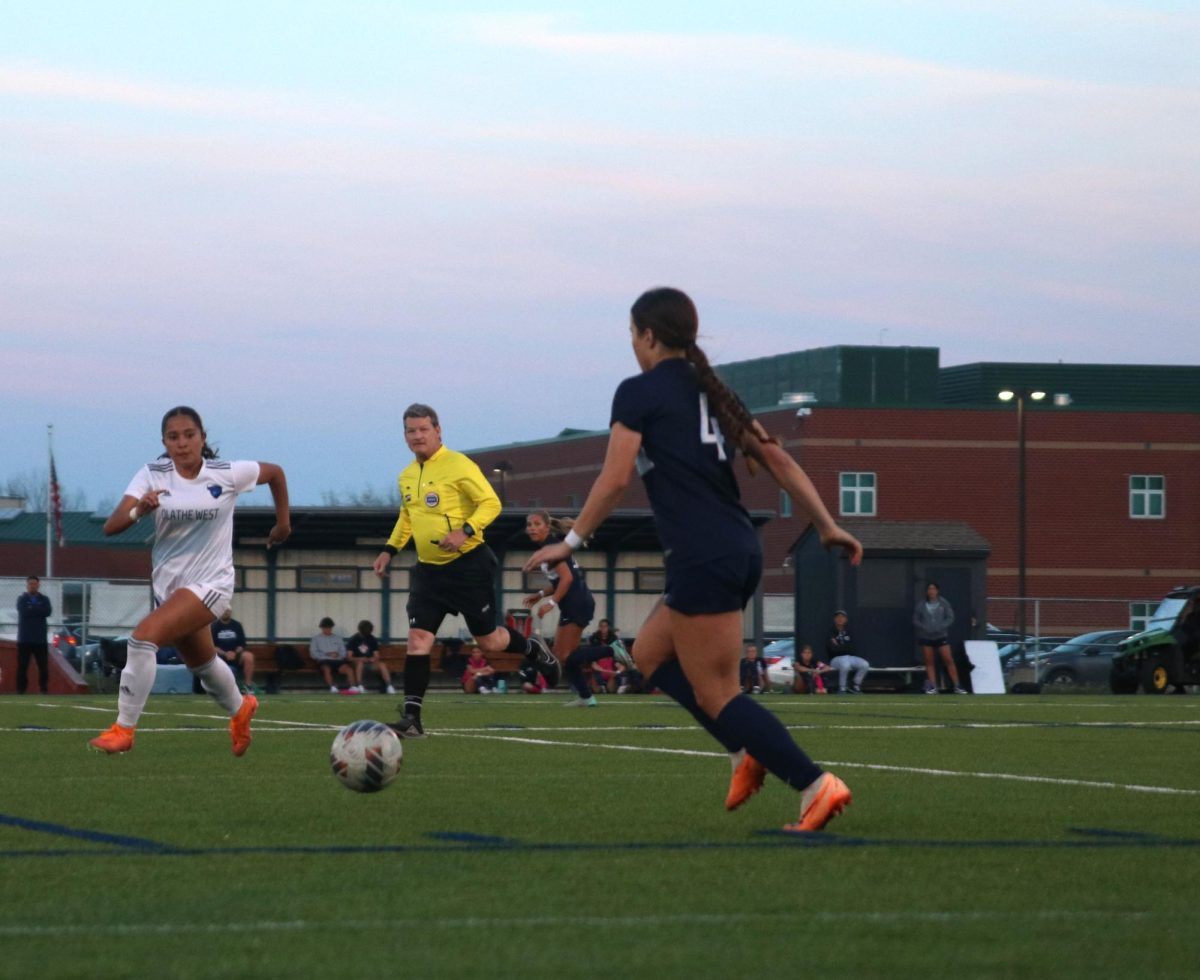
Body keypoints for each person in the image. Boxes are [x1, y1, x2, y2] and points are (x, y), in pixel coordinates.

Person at [525, 287, 864, 833]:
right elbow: (776, 457)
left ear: (650, 336)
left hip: (703, 553)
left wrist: (571, 542)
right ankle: (742, 752)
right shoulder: (713, 389)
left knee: (719, 693)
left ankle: (814, 784)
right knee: (650, 653)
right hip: (733, 546)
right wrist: (825, 523)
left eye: (633, 335)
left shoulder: (638, 392)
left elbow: (614, 479)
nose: (633, 346)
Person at [88, 406, 289, 754]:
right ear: (164, 442)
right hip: (170, 589)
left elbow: (275, 473)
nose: (181, 443)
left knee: (142, 639)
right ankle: (242, 709)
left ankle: (123, 729)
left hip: (213, 585)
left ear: (202, 438)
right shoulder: (153, 474)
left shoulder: (226, 474)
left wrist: (283, 523)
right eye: (173, 437)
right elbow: (112, 525)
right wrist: (140, 510)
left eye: (189, 435)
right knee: (204, 666)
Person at [372, 403, 558, 738]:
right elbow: (407, 517)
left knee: (489, 641)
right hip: (429, 573)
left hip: (469, 566)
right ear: (404, 436)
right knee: (417, 639)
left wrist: (465, 532)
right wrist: (389, 549)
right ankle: (412, 719)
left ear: (438, 431)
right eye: (411, 431)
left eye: (423, 429)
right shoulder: (406, 476)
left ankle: (532, 648)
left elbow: (492, 503)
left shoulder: (458, 464)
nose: (417, 436)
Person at [523, 510, 597, 705]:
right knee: (562, 654)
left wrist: (551, 603)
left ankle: (612, 650)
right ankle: (585, 697)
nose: (531, 528)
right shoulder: (552, 547)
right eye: (529, 524)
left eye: (536, 524)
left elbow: (567, 579)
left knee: (565, 655)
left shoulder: (551, 548)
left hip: (576, 602)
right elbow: (558, 581)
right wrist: (539, 595)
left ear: (547, 527)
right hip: (575, 601)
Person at [914, 582, 966, 694]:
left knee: (948, 659)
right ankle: (933, 686)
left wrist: (941, 626)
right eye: (929, 589)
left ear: (937, 590)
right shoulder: (921, 604)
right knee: (929, 661)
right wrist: (924, 627)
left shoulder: (944, 603)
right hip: (926, 636)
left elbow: (950, 617)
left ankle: (957, 685)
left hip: (941, 636)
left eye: (933, 589)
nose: (931, 591)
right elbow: (916, 619)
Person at [16, 575, 52, 695]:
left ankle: (43, 688)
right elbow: (24, 612)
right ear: (27, 585)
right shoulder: (22, 599)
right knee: (22, 666)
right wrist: (37, 610)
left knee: (43, 666)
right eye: (30, 584)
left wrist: (33, 608)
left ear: (38, 585)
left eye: (35, 584)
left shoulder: (44, 599)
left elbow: (47, 611)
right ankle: (21, 689)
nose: (33, 586)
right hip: (25, 639)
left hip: (40, 639)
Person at [210, 607, 257, 693]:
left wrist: (234, 653)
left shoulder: (237, 625)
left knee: (249, 656)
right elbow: (212, 646)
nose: (226, 613)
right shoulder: (214, 626)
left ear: (230, 612)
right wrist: (225, 653)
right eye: (224, 611)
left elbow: (242, 644)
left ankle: (247, 686)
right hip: (220, 656)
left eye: (227, 611)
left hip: (236, 655)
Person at [347, 620, 396, 694]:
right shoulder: (353, 639)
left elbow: (377, 655)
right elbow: (349, 657)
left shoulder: (372, 639)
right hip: (357, 663)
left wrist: (372, 659)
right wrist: (360, 659)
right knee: (360, 663)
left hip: (370, 663)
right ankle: (360, 685)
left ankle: (389, 686)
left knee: (382, 665)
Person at [827, 610, 869, 694]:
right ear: (835, 619)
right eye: (838, 617)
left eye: (842, 617)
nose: (840, 619)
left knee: (865, 664)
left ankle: (855, 685)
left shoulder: (849, 631)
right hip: (835, 659)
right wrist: (843, 647)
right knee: (845, 665)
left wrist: (839, 646)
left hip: (849, 657)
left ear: (846, 619)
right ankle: (842, 688)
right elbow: (833, 649)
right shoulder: (831, 631)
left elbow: (852, 647)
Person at [310, 617, 352, 693]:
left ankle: (353, 687)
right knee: (326, 668)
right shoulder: (316, 639)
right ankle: (332, 687)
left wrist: (337, 654)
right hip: (324, 661)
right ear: (321, 628)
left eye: (329, 628)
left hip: (338, 661)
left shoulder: (338, 638)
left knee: (348, 669)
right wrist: (327, 655)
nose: (327, 630)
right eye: (325, 628)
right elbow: (313, 654)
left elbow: (343, 653)